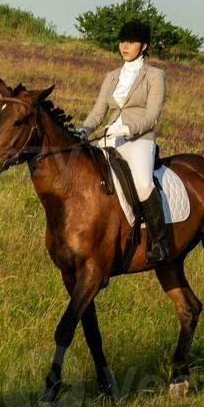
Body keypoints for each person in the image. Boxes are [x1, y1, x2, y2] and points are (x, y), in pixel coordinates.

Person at [78, 18, 171, 262]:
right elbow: (98, 112)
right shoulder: (111, 77)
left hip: (138, 139)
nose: (124, 46)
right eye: (122, 41)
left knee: (142, 183)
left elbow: (152, 116)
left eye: (131, 42)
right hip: (108, 137)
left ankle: (159, 241)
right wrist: (83, 131)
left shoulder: (155, 75)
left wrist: (128, 129)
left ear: (144, 46)